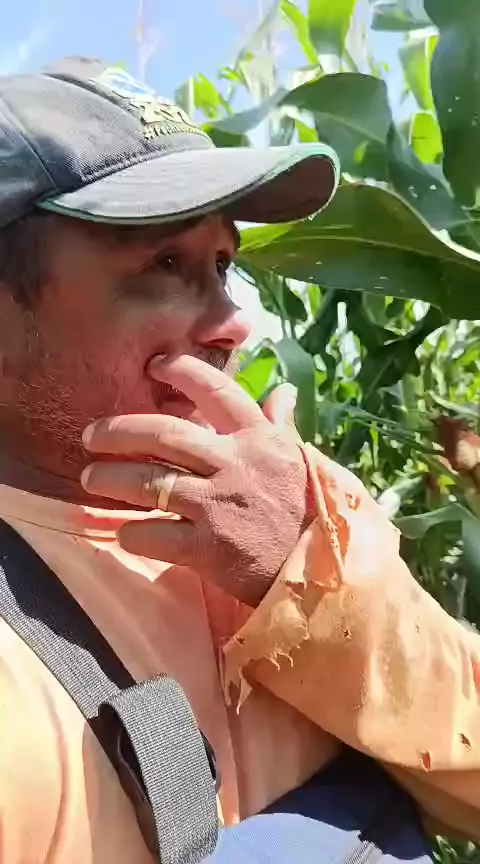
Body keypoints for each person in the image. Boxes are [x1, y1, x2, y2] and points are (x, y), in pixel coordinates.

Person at [0, 58, 479, 864]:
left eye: (224, 265)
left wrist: (311, 579)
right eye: (164, 265)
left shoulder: (299, 504)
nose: (235, 323)